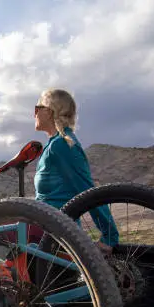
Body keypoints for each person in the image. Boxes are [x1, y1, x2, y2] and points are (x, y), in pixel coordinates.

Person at [33, 88, 118, 254]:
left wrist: (109, 237)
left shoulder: (62, 145)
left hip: (54, 232)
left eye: (37, 108)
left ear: (49, 112)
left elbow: (87, 190)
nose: (34, 114)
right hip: (44, 226)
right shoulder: (54, 144)